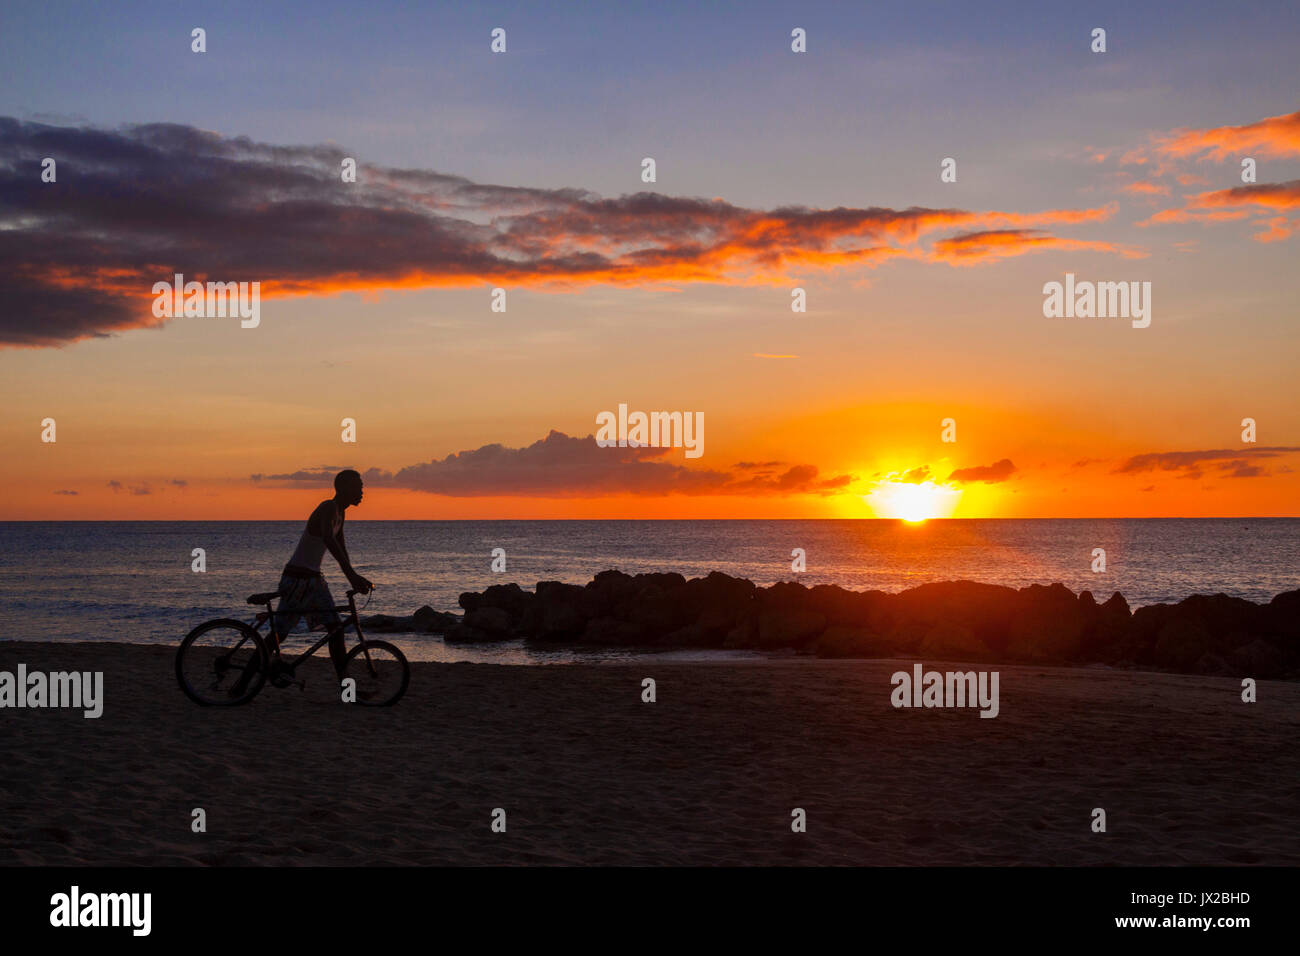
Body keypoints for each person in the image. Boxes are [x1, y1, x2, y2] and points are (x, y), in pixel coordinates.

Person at [272, 469, 373, 682]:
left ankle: (347, 689)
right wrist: (352, 577)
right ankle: (241, 685)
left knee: (335, 630)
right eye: (359, 487)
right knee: (279, 634)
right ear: (344, 488)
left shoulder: (340, 513)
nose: (362, 491)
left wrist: (354, 576)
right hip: (298, 578)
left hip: (313, 579)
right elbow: (329, 539)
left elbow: (341, 550)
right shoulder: (328, 507)